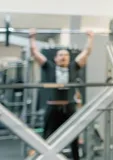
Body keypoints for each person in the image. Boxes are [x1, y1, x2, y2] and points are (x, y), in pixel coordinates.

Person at [29, 29, 94, 160]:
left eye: (66, 55)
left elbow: (86, 53)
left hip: (69, 108)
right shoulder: (49, 67)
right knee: (47, 137)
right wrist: (32, 38)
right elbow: (35, 53)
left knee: (73, 137)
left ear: (69, 58)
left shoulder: (73, 67)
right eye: (60, 55)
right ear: (55, 58)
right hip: (52, 108)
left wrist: (90, 38)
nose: (63, 57)